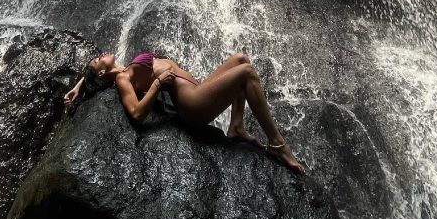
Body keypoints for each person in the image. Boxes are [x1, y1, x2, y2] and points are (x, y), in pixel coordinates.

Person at [64, 50, 304, 173]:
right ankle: (277, 144)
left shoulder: (123, 67)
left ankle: (237, 126)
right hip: (192, 104)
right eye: (97, 59)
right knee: (247, 72)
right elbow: (136, 114)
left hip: (196, 89)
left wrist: (79, 86)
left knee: (241, 59)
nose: (101, 54)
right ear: (100, 74)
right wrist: (157, 85)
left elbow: (94, 76)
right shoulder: (123, 80)